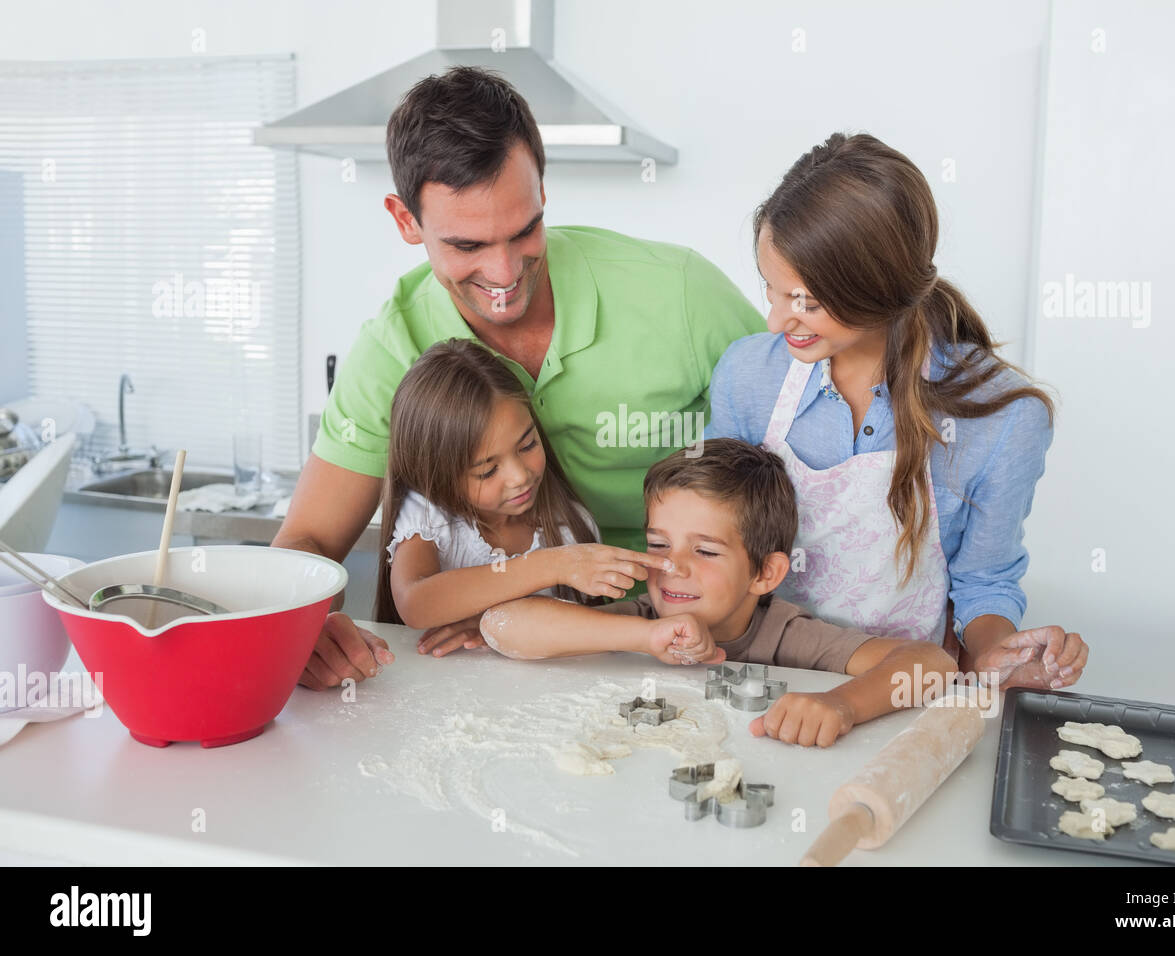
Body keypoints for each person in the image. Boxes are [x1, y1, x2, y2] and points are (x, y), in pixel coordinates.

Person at [272, 67, 765, 690]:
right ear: (406, 221)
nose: (504, 273)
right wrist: (299, 618)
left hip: (705, 643)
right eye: (467, 245)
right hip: (509, 659)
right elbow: (310, 539)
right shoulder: (390, 349)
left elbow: (797, 450)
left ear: (542, 189)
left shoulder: (682, 294)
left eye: (524, 230)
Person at [705, 132, 1088, 691]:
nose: (775, 322)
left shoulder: (1003, 420)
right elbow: (714, 537)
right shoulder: (748, 375)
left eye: (805, 301)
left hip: (901, 691)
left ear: (877, 290)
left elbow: (983, 581)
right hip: (755, 679)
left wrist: (997, 656)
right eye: (772, 291)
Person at [480, 439, 957, 748]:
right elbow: (501, 625)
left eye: (706, 551)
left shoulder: (784, 632)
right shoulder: (642, 619)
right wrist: (643, 638)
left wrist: (841, 704)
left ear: (765, 574)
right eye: (658, 545)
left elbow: (933, 665)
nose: (673, 567)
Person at [375, 338, 672, 656]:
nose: (520, 476)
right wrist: (553, 565)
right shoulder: (429, 516)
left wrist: (493, 624)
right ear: (436, 476)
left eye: (528, 445)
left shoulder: (568, 526)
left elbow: (590, 638)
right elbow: (417, 603)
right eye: (487, 471)